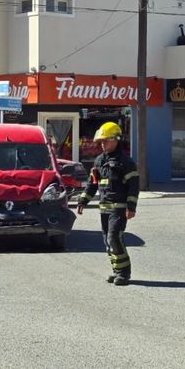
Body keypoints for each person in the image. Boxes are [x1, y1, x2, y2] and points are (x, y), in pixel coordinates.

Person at [76, 122, 139, 286]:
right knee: (107, 241)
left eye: (106, 141)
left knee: (114, 238)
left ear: (116, 140)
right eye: (101, 141)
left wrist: (131, 207)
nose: (103, 144)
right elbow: (93, 184)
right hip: (104, 209)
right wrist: (83, 200)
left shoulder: (126, 162)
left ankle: (124, 274)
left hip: (119, 209)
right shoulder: (99, 161)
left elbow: (134, 186)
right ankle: (116, 271)